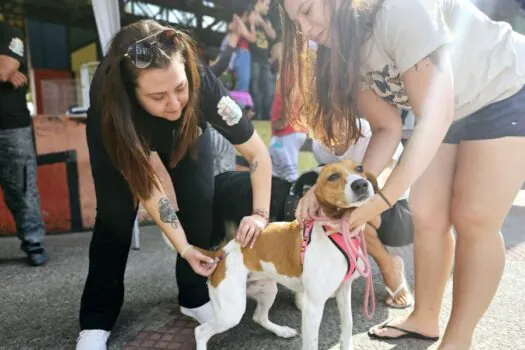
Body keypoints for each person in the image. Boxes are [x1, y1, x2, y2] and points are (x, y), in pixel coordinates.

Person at [279, 0, 525, 348]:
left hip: (505, 87)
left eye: (306, 11)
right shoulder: (347, 47)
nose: (304, 30)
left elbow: (435, 114)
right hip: (446, 108)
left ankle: (458, 340)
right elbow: (386, 127)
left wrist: (379, 202)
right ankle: (424, 317)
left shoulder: (399, 9)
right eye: (295, 23)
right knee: (425, 211)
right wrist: (354, 190)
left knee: (474, 217)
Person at [76, 19, 272, 350]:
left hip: (186, 133)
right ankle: (97, 318)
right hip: (121, 131)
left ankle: (194, 295)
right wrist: (180, 245)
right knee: (116, 215)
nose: (173, 103)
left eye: (180, 88)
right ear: (133, 91)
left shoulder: (201, 84)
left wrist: (260, 214)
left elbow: (256, 153)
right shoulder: (111, 99)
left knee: (200, 200)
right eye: (158, 95)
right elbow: (146, 185)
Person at [311, 118, 413, 308]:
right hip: (356, 202)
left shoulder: (371, 132)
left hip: (395, 210)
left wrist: (350, 201)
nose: (324, 127)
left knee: (347, 209)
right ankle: (338, 270)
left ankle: (389, 265)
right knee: (328, 205)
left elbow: (383, 180)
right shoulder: (319, 144)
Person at [0, 21, 48, 266]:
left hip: (12, 128)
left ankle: (34, 244)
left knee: (22, 188)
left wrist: (6, 70)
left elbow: (3, 69)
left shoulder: (9, 32)